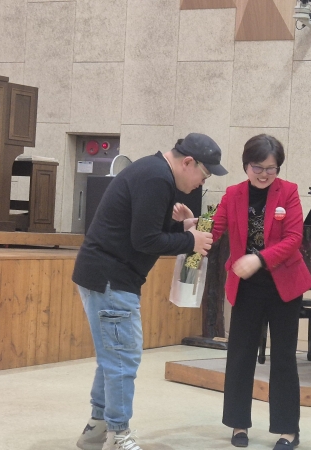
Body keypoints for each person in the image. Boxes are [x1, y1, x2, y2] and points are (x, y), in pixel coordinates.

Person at [72, 133, 226, 450]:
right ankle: (118, 435)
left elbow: (144, 229)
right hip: (111, 278)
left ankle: (96, 430)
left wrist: (182, 228)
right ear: (188, 162)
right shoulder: (157, 178)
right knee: (122, 360)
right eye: (204, 174)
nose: (201, 183)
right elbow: (145, 240)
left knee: (113, 357)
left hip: (104, 275)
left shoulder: (153, 171)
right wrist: (191, 240)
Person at [210, 134, 311, 450]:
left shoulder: (289, 192)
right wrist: (189, 226)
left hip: (284, 286)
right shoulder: (233, 194)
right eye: (258, 167)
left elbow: (293, 238)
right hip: (246, 286)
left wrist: (259, 258)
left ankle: (288, 430)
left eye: (271, 168)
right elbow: (214, 229)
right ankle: (238, 424)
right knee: (240, 356)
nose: (265, 174)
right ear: (246, 165)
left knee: (283, 358)